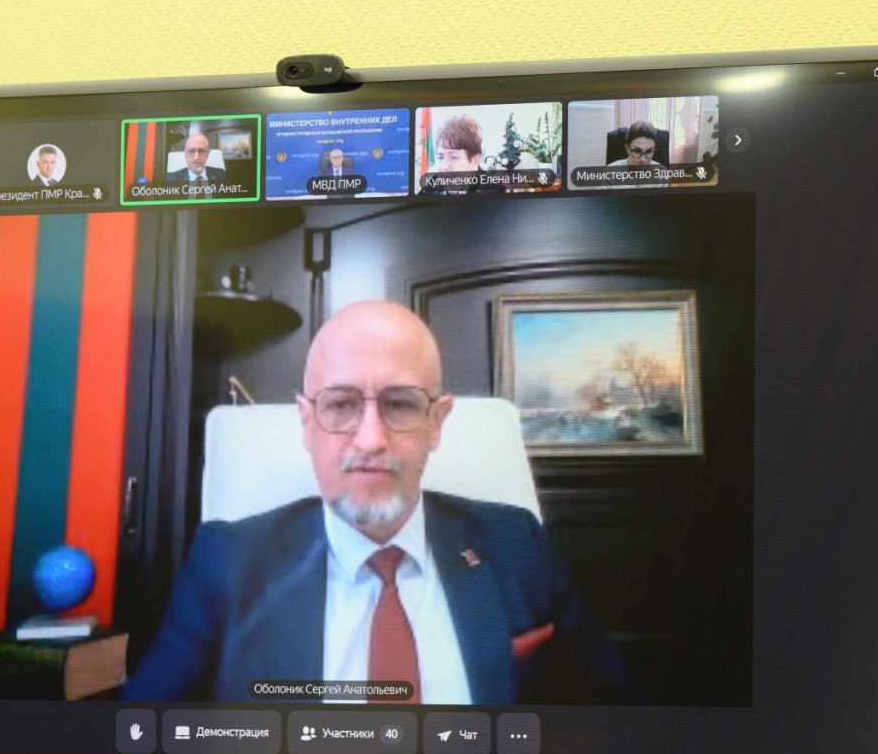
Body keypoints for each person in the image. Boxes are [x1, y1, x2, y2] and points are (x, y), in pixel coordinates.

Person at [121, 301, 642, 706]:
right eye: (340, 405)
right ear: (307, 423)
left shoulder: (516, 543)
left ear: (436, 423)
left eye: (400, 405)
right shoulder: (226, 561)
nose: (370, 439)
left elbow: (621, 720)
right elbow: (140, 739)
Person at [605, 121, 668, 188]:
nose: (643, 159)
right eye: (637, 151)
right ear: (627, 149)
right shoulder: (609, 172)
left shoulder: (662, 173)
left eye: (649, 151)